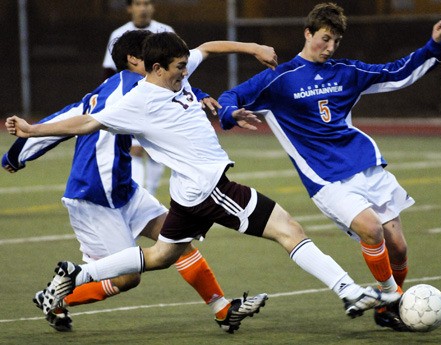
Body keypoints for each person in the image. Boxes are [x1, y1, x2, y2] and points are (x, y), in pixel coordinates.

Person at [5, 32, 401, 332]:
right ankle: (348, 290)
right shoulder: (136, 101)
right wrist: (32, 130)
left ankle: (78, 274)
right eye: (179, 68)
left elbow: (207, 49)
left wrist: (250, 52)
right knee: (289, 229)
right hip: (210, 187)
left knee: (162, 256)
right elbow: (86, 121)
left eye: (184, 66)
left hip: (188, 191)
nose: (185, 73)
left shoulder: (175, 77)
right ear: (155, 68)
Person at [2, 30, 281, 333]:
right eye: (148, 53)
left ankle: (223, 309)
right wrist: (28, 136)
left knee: (176, 241)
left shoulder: (120, 85)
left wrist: (17, 155)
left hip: (124, 189)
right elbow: (81, 122)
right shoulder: (133, 89)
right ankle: (55, 297)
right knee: (127, 278)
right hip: (93, 196)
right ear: (135, 60)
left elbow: (70, 113)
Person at [216, 2, 441, 332]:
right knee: (371, 229)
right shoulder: (280, 79)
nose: (329, 48)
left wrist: (434, 45)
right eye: (325, 38)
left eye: (336, 42)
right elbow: (232, 96)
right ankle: (392, 300)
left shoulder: (346, 72)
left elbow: (397, 72)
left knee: (398, 246)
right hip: (326, 179)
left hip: (366, 166)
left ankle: (389, 300)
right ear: (308, 33)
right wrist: (230, 114)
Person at [103, 0, 175, 197]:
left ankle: (148, 195)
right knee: (134, 150)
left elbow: (177, 67)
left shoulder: (165, 31)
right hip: (131, 102)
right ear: (129, 8)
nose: (142, 8)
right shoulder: (119, 34)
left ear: (153, 6)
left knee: (156, 151)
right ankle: (140, 196)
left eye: (147, 3)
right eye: (138, 3)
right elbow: (110, 72)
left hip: (159, 101)